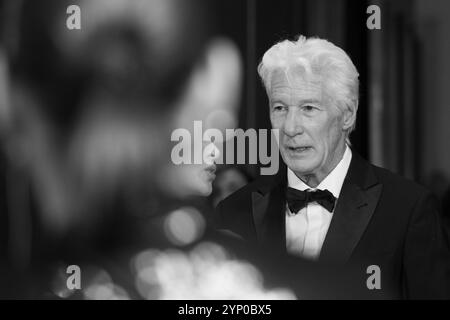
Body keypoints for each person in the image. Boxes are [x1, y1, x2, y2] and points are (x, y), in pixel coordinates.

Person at [216, 35, 450, 299]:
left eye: (308, 108)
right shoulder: (234, 212)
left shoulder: (408, 210)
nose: (291, 128)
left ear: (347, 115)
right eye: (280, 108)